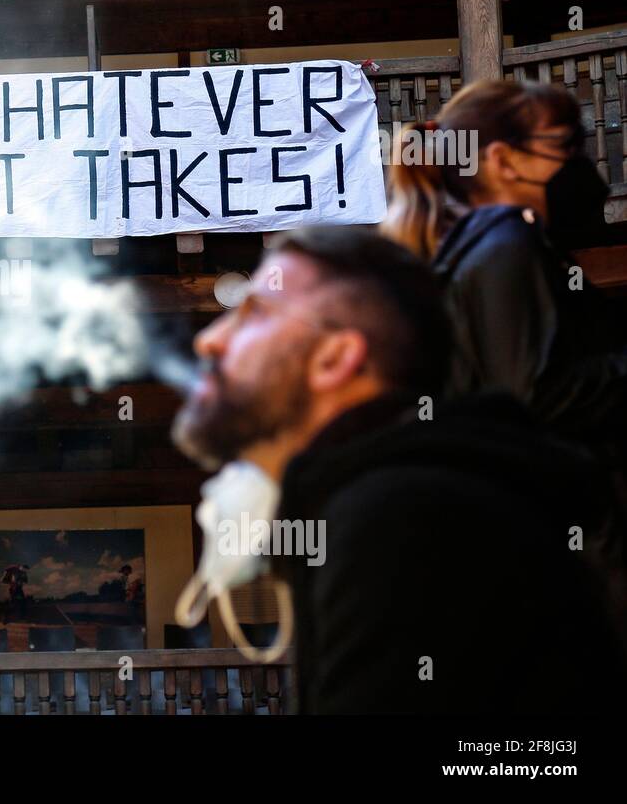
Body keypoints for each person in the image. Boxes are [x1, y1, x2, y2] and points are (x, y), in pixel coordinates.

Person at [171, 225, 626, 713]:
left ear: (335, 358)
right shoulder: (408, 497)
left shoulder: (399, 517)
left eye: (254, 313)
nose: (209, 342)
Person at [382, 79, 627, 639]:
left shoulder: (482, 254)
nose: (582, 165)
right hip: (579, 560)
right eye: (566, 148)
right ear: (502, 160)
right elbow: (533, 395)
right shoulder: (504, 248)